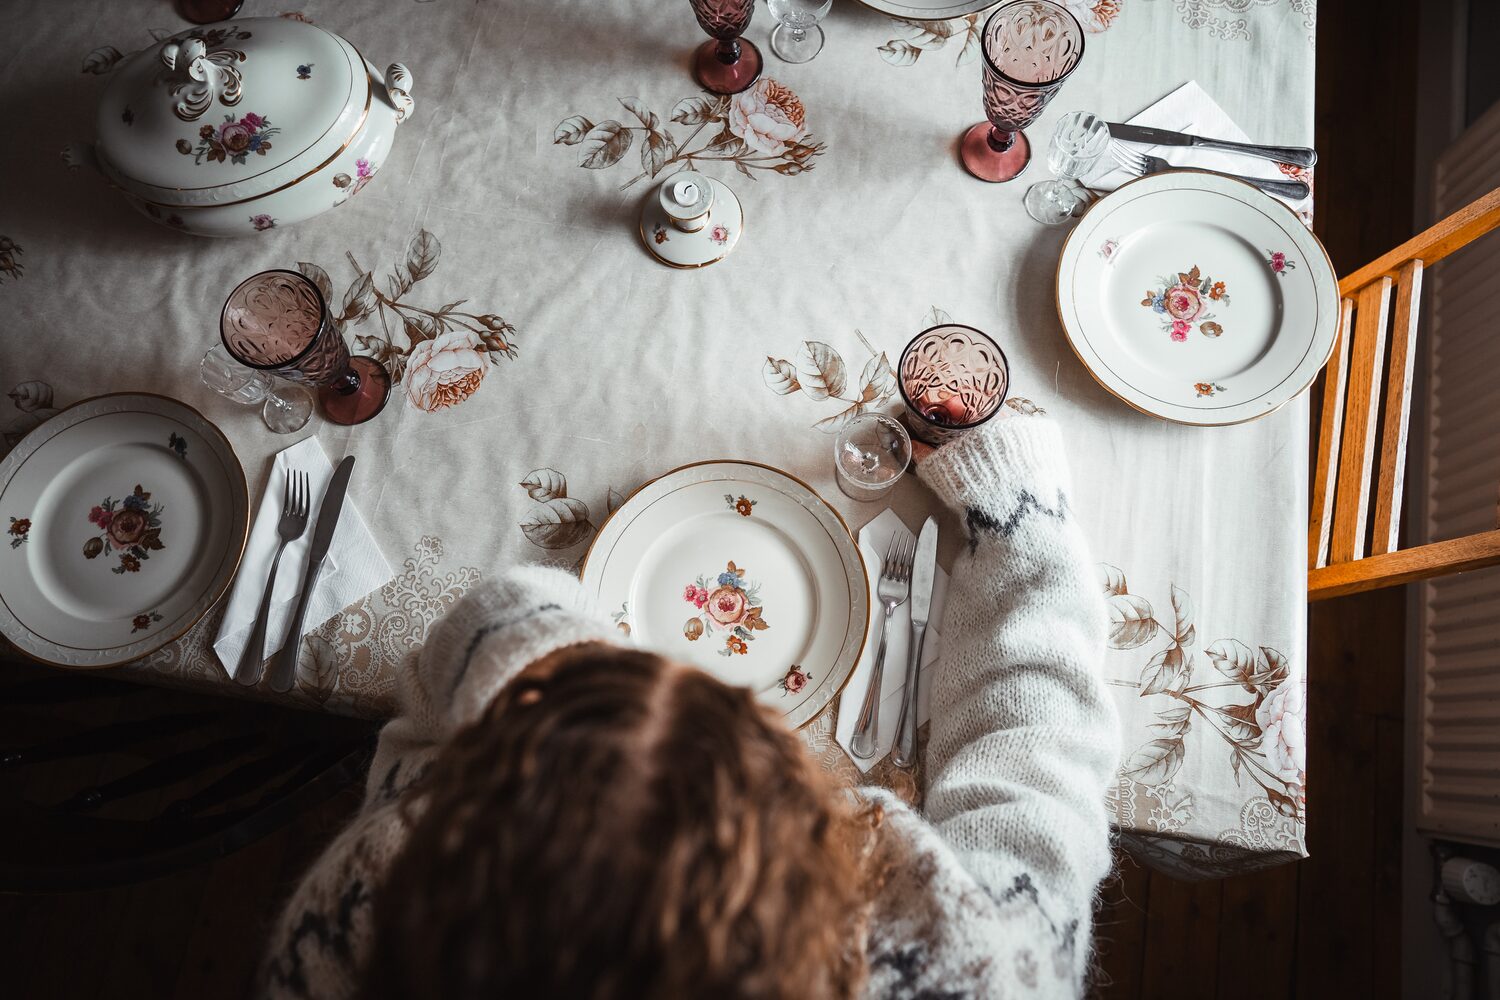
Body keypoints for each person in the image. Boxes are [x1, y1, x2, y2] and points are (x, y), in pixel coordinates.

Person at [260, 412, 1120, 999]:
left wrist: (536, 654)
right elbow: (1037, 764)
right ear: (790, 821)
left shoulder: (362, 913)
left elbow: (417, 745)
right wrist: (1020, 515)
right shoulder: (967, 969)